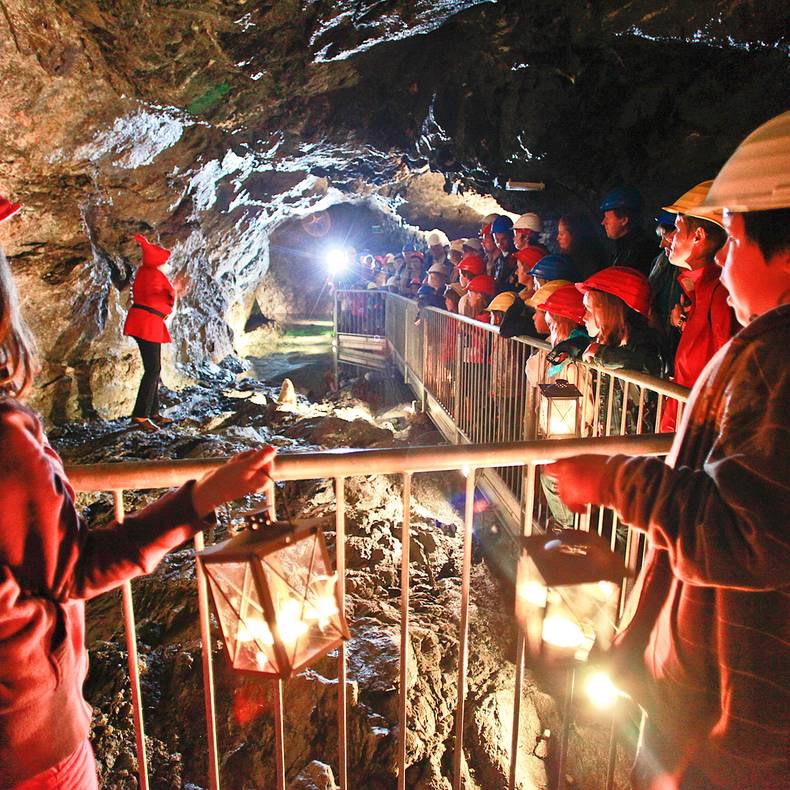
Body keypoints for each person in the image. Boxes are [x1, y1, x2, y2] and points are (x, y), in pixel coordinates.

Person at [545, 111, 790, 790]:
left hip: (736, 725)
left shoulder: (779, 360)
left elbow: (747, 533)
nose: (720, 257)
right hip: (713, 699)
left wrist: (616, 480)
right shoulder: (767, 348)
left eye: (733, 239)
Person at [0, 216, 279, 789]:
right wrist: (204, 496)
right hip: (25, 737)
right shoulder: (4, 442)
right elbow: (75, 568)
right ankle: (142, 414)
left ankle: (144, 411)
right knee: (151, 374)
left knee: (153, 373)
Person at [659, 182, 736, 431]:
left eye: (677, 229)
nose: (669, 238)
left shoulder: (720, 294)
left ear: (698, 235)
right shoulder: (702, 292)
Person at [123, 234, 177, 432]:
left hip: (145, 322)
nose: (166, 264)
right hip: (147, 324)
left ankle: (152, 411)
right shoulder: (153, 274)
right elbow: (168, 296)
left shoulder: (145, 272)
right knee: (153, 369)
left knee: (154, 368)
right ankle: (140, 415)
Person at [647, 210, 684, 372]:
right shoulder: (661, 262)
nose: (662, 244)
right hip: (661, 339)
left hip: (679, 341)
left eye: (666, 235)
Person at [600, 187, 658, 276]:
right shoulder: (622, 250)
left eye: (607, 218)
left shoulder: (641, 253)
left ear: (624, 220)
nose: (603, 222)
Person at [499, 246, 547, 339]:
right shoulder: (524, 294)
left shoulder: (535, 303)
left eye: (518, 267)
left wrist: (519, 301)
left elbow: (505, 330)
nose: (516, 272)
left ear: (528, 271)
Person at [556, 212, 607, 279]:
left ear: (575, 235)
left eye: (561, 234)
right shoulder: (569, 259)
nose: (557, 238)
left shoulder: (589, 265)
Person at [490, 215, 519, 293]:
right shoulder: (498, 261)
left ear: (511, 236)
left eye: (504, 239)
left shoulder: (518, 259)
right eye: (497, 240)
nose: (500, 243)